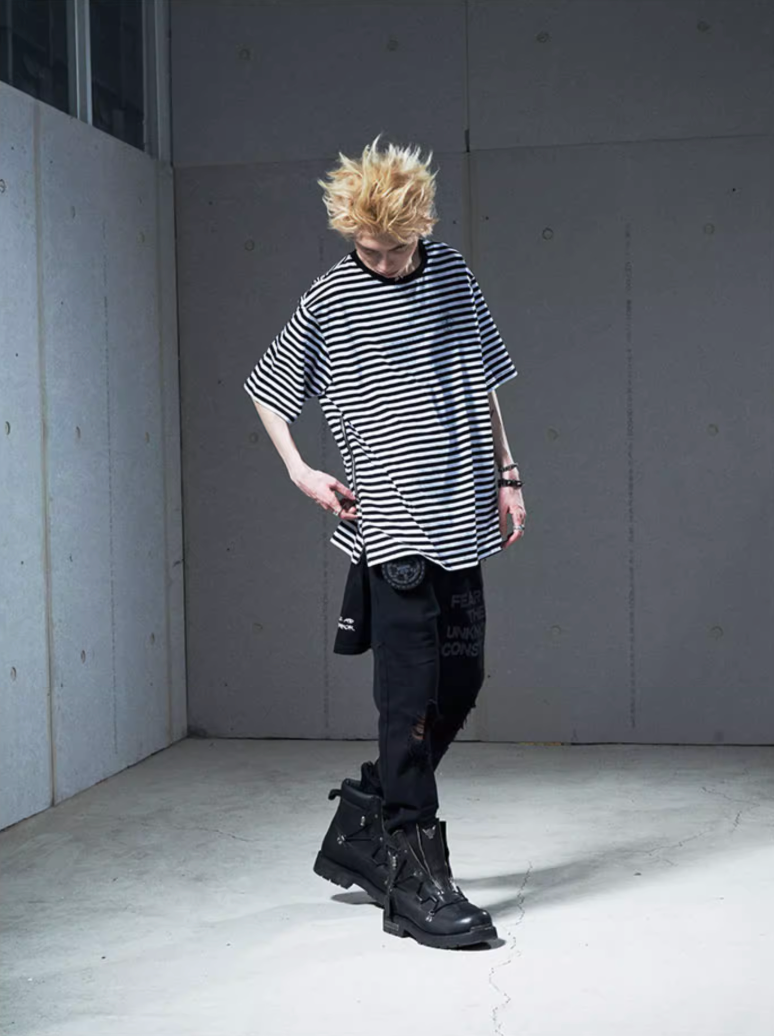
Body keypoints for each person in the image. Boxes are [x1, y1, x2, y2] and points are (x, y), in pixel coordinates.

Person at [244, 136, 526, 950]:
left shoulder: (453, 273)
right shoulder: (330, 298)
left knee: (461, 681)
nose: (387, 262)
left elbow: (484, 377)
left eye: (398, 248)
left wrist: (509, 474)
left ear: (422, 226)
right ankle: (413, 873)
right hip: (393, 520)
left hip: (463, 511)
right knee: (407, 699)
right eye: (372, 250)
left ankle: (366, 818)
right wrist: (300, 470)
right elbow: (269, 388)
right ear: (352, 236)